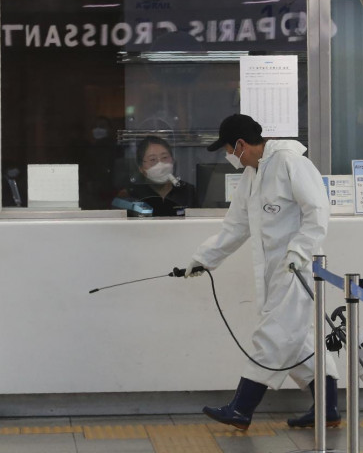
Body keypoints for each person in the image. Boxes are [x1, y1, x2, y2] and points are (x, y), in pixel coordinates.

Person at [184, 113, 339, 430]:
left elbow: (318, 210)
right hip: (274, 272)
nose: (229, 156)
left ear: (240, 144)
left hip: (298, 269)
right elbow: (235, 228)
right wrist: (203, 259)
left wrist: (299, 250)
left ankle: (241, 409)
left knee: (273, 338)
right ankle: (329, 408)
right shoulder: (251, 177)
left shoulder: (289, 163)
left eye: (229, 149)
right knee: (299, 343)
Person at [119, 135, 197, 216]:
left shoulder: (188, 191)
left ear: (173, 160)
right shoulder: (131, 194)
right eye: (153, 159)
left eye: (165, 157)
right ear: (141, 169)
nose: (160, 164)